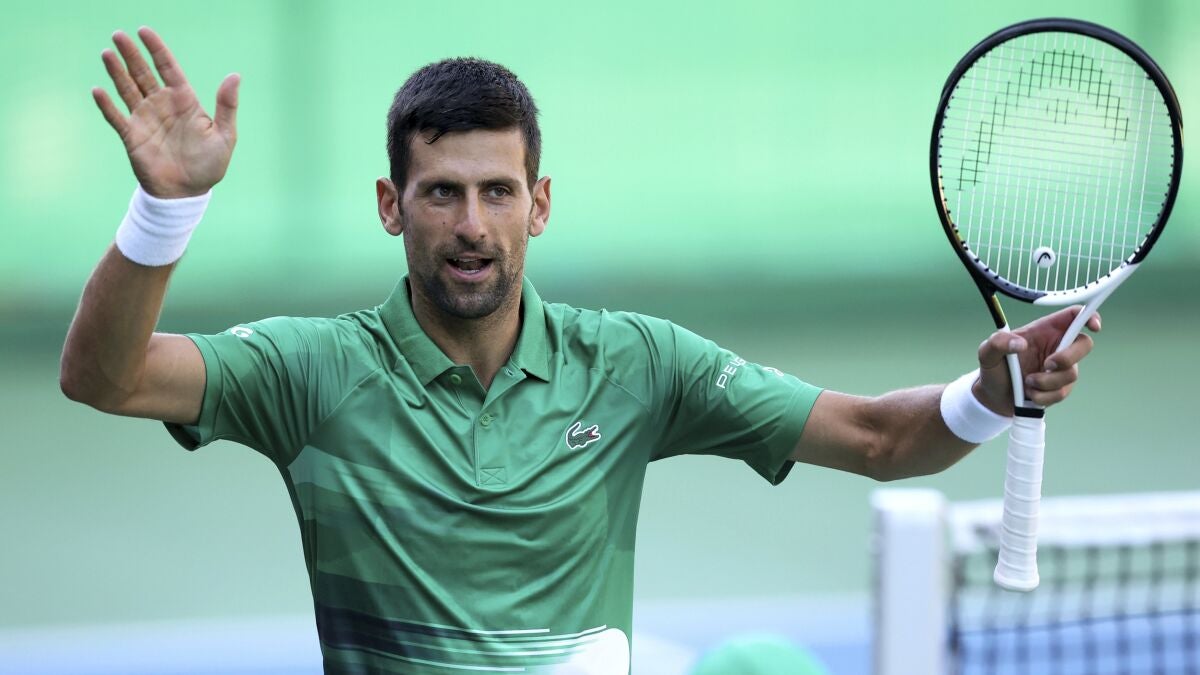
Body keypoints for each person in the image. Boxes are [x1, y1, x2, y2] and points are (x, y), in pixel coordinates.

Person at [60, 27, 1100, 675]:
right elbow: (104, 377)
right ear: (391, 206)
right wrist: (166, 210)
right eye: (442, 193)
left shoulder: (634, 365)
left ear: (539, 204)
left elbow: (878, 438)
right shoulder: (313, 373)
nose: (473, 224)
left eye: (498, 191)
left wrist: (987, 394)